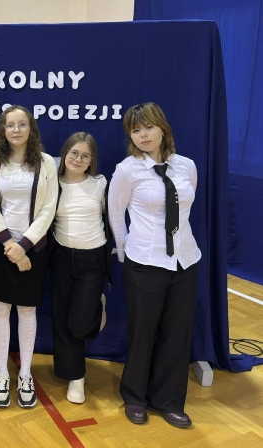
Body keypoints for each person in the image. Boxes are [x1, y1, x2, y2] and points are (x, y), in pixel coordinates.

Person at [108, 102, 200, 429]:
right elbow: (115, 214)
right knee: (142, 333)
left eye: (148, 127)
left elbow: (185, 209)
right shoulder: (127, 170)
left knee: (176, 334)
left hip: (184, 261)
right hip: (144, 263)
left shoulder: (186, 166)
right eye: (135, 130)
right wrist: (124, 254)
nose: (143, 135)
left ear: (163, 128)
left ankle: (169, 400)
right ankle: (135, 396)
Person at [0, 105, 58, 409]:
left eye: (22, 124)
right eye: (10, 125)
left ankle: (25, 374)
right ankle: (2, 374)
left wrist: (23, 245)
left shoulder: (46, 162)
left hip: (32, 248)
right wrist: (10, 245)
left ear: (31, 128)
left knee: (27, 311)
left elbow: (49, 209)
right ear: (2, 129)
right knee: (0, 310)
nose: (16, 130)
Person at [50, 132, 109, 405]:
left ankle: (97, 306)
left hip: (92, 259)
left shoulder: (100, 184)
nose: (78, 159)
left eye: (85, 155)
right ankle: (75, 376)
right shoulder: (52, 183)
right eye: (74, 153)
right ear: (65, 153)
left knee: (80, 321)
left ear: (91, 160)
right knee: (62, 320)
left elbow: (112, 219)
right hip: (61, 257)